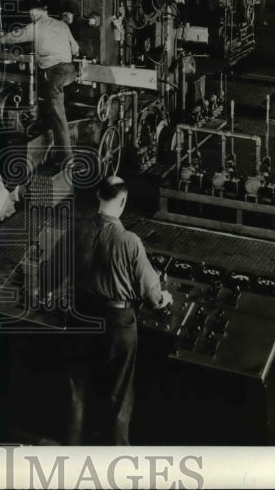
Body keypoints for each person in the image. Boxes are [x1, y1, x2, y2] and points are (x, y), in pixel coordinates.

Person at [62, 177, 173, 445]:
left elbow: (51, 273)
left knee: (77, 390)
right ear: (122, 202)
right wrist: (164, 298)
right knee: (119, 395)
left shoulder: (75, 231)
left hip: (80, 318)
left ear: (98, 197)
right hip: (117, 324)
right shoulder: (130, 242)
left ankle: (69, 457)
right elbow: (152, 296)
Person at [0, 0, 80, 163]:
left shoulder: (37, 26)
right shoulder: (62, 25)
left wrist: (0, 37)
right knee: (48, 91)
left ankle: (67, 157)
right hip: (71, 71)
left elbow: (15, 36)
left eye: (30, 13)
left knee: (58, 113)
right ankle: (42, 120)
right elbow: (76, 48)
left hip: (55, 73)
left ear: (34, 13)